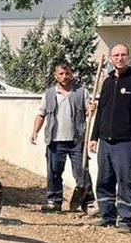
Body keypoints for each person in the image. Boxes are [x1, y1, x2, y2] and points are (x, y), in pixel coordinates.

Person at [88, 44, 131, 233]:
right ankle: (107, 216)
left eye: (123, 55)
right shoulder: (107, 82)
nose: (120, 58)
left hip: (127, 142)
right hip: (105, 141)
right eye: (116, 55)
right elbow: (101, 113)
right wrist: (94, 137)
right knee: (105, 180)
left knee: (126, 180)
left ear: (129, 58)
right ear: (110, 59)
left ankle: (125, 219)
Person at [30, 61, 97, 213]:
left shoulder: (81, 92)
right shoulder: (49, 94)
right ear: (55, 75)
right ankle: (54, 201)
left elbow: (89, 112)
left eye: (67, 73)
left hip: (77, 140)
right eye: (61, 74)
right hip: (55, 140)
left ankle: (88, 203)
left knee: (82, 171)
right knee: (53, 172)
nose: (65, 76)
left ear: (71, 74)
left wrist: (92, 108)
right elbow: (41, 114)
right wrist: (35, 131)